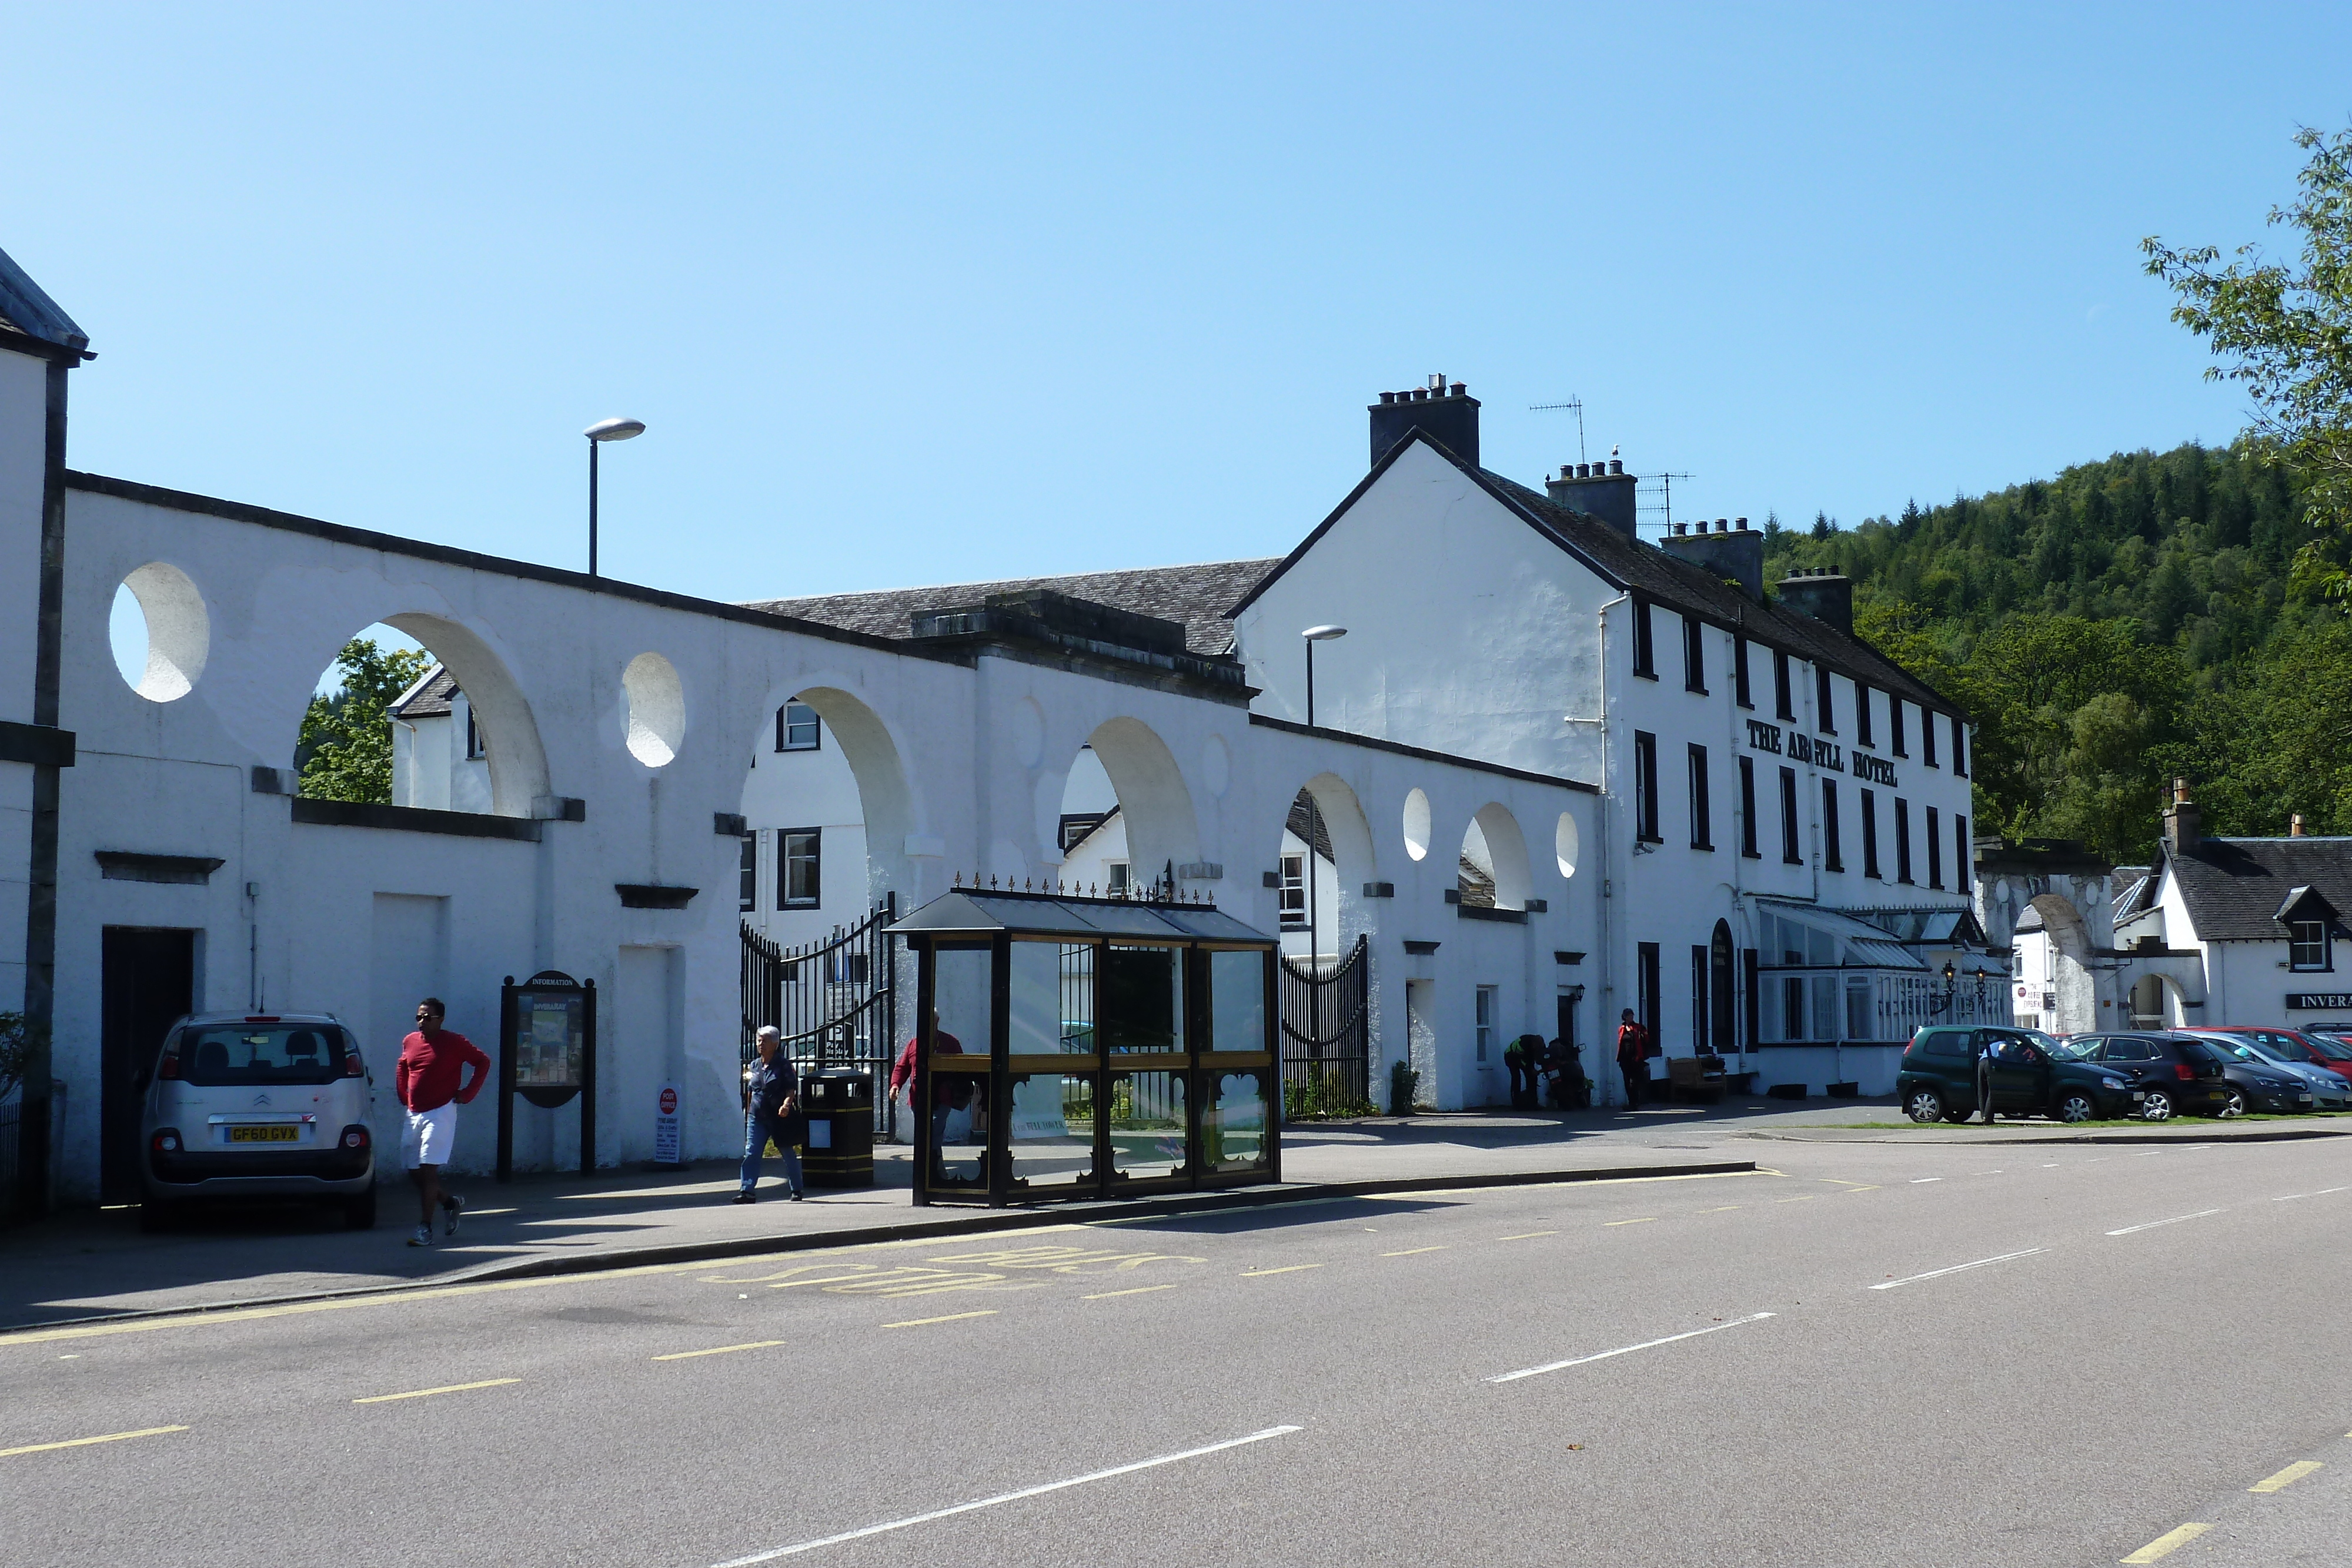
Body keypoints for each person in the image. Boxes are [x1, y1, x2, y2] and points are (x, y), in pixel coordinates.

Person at [395, 997, 491, 1248]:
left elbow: (483, 1062)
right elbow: (403, 1066)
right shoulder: (411, 1041)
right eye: (419, 1017)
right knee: (413, 1170)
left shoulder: (454, 1042)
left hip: (441, 1112)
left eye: (428, 1017)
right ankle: (450, 1203)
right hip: (414, 1113)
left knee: (428, 1170)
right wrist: (403, 1094)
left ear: (441, 1019)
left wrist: (468, 1094)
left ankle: (424, 1228)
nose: (422, 1022)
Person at [888, 1008, 963, 1178]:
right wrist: (895, 1086)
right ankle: (933, 1175)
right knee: (925, 1135)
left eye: (930, 1020)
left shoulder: (950, 1043)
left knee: (933, 1134)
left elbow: (962, 1067)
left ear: (937, 1021)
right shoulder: (914, 1044)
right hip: (918, 1099)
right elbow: (902, 1067)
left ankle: (935, 1175)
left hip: (942, 1099)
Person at [736, 1026, 805, 1202]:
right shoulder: (754, 1065)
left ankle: (797, 1189)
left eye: (765, 1041)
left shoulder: (783, 1065)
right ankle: (747, 1191)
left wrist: (787, 1105)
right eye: (759, 1040)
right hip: (757, 1116)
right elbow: (752, 1089)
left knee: (787, 1152)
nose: (761, 1044)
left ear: (775, 1043)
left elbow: (791, 1088)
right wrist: (749, 1111)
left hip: (779, 1117)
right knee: (751, 1152)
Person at [1615, 1008, 1651, 1110]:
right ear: (1624, 1017)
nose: (1631, 1017)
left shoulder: (1639, 1028)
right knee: (1627, 1082)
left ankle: (1635, 1103)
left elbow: (1647, 1041)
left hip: (1636, 1059)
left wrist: (1642, 1055)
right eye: (1628, 1015)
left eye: (1632, 1015)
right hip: (1624, 1060)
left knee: (1634, 1082)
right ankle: (1631, 1103)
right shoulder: (1622, 1029)